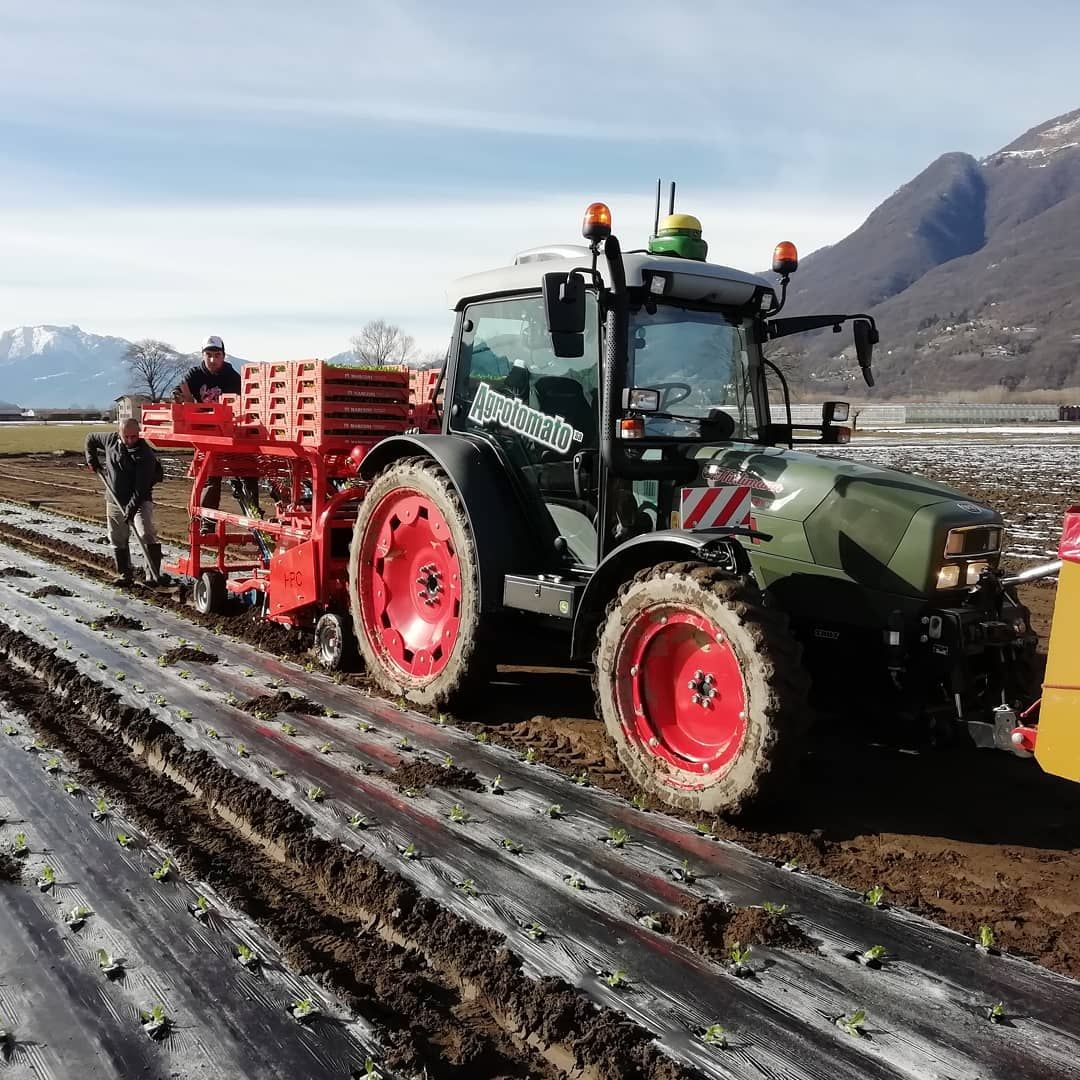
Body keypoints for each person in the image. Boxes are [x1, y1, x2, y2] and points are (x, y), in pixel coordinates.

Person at [174, 335, 258, 529]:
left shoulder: (232, 377)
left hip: (230, 433)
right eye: (209, 355)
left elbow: (246, 404)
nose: (213, 360)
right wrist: (182, 399)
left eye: (217, 355)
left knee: (247, 472)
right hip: (207, 434)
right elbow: (179, 393)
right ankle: (207, 522)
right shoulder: (194, 376)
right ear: (203, 355)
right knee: (211, 477)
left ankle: (254, 517)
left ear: (223, 356)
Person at [85, 419, 167, 586]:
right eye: (126, 436)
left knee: (145, 533)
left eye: (134, 437)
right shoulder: (110, 440)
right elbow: (90, 439)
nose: (130, 440)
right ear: (119, 433)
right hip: (114, 499)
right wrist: (91, 459)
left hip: (139, 500)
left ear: (139, 434)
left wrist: (130, 509)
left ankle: (152, 576)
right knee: (117, 537)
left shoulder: (145, 455)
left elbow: (141, 489)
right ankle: (124, 574)